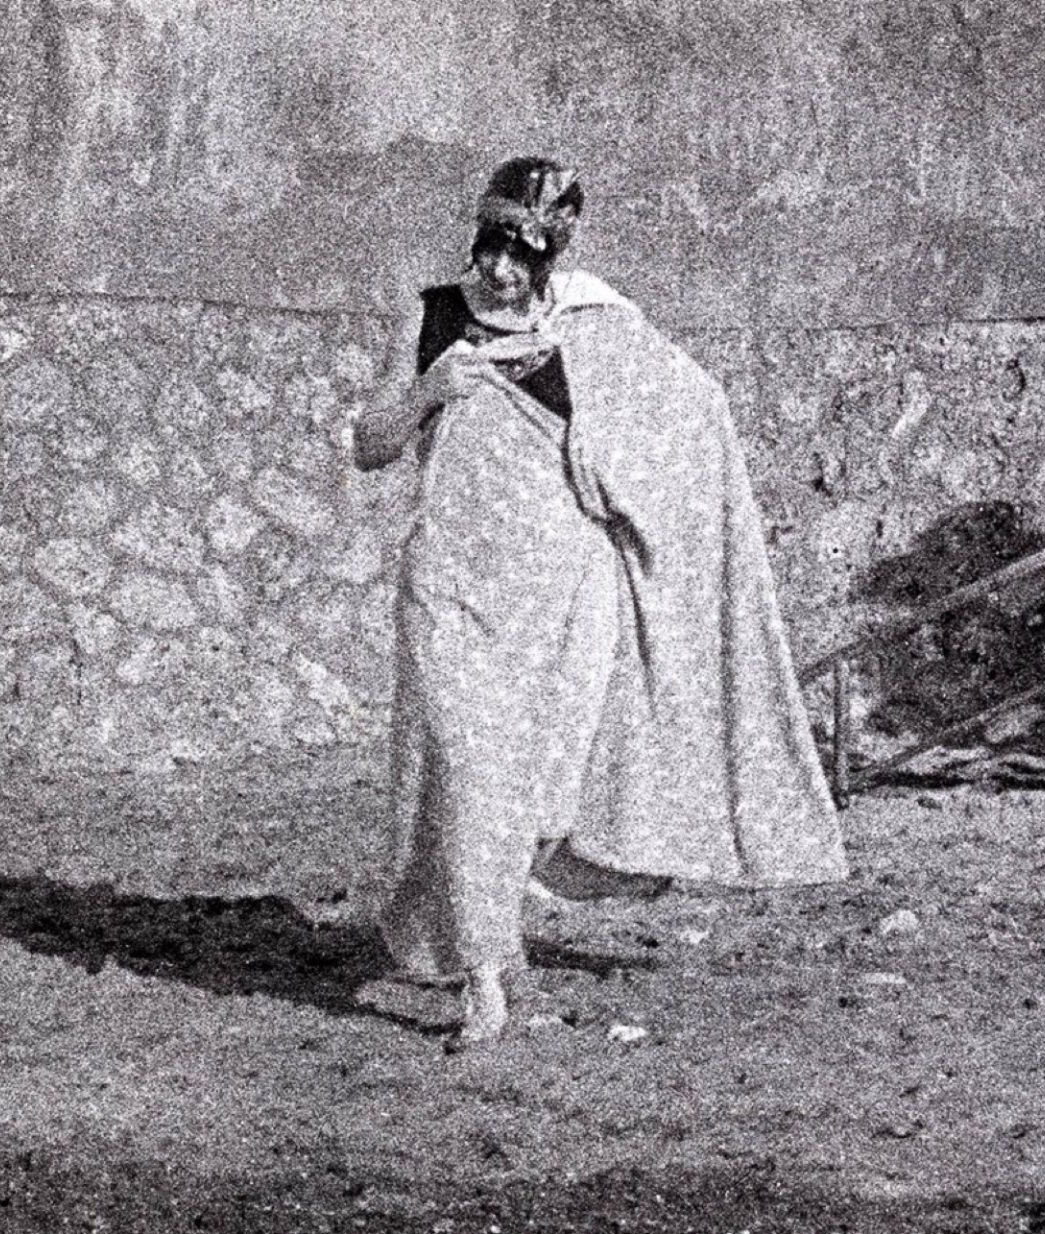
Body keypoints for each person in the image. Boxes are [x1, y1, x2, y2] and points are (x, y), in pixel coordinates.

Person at [348, 157, 847, 1048]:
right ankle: (487, 980)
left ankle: (504, 916)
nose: (502, 269)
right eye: (492, 245)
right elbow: (368, 445)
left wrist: (617, 477)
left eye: (524, 252)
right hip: (451, 592)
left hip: (563, 600)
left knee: (537, 791)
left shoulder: (597, 331)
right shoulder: (430, 316)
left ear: (555, 253)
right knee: (468, 769)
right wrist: (431, 390)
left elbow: (693, 419)